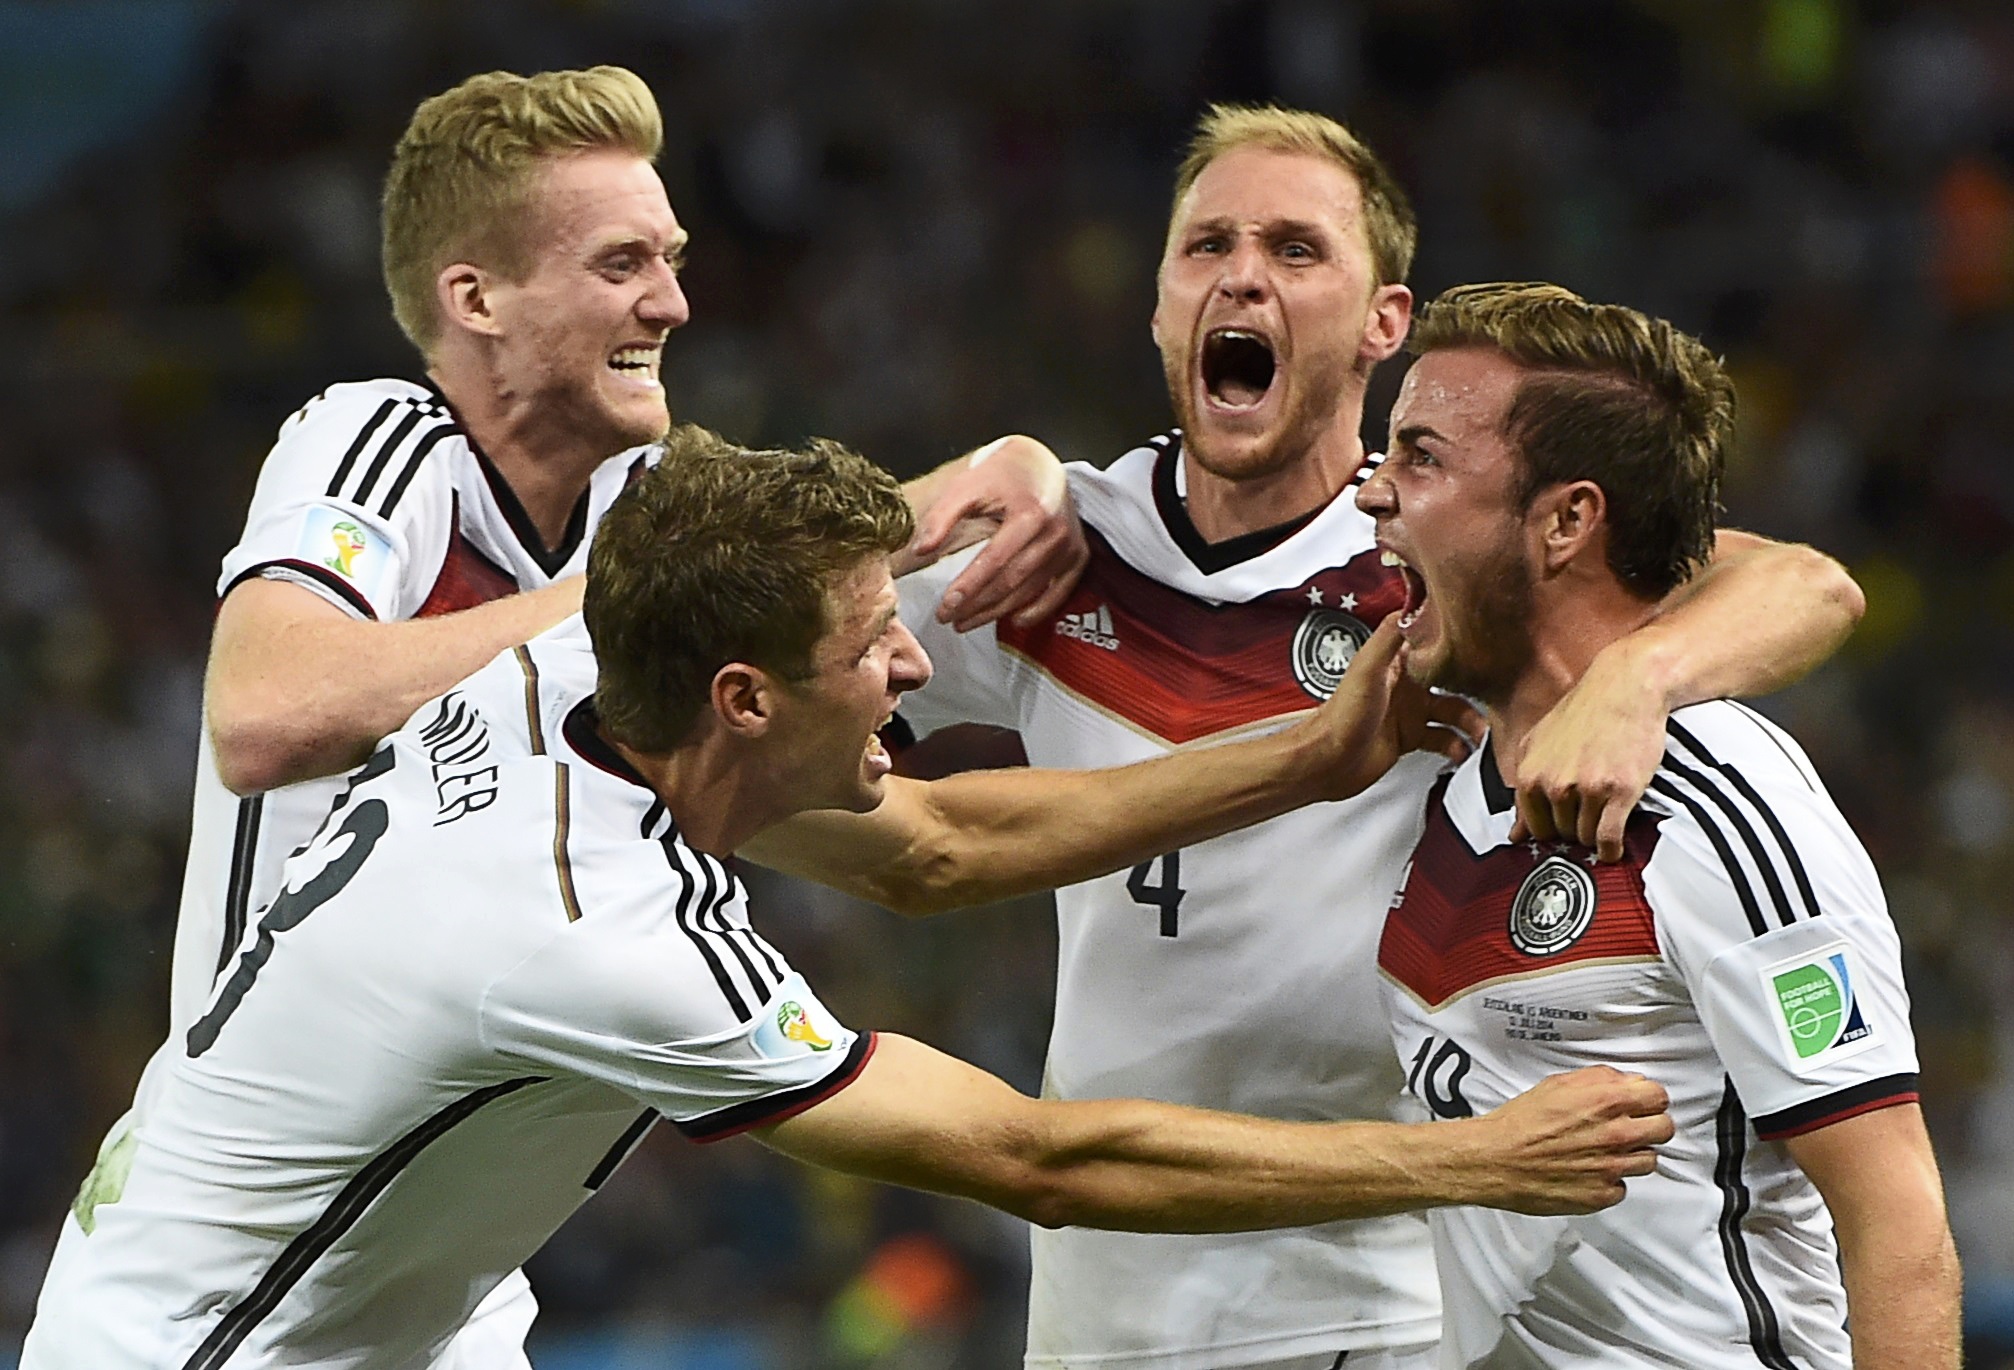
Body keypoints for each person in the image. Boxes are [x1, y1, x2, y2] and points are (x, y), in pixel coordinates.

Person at [23, 430, 1675, 1370]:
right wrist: (1467, 1164)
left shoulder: (578, 673)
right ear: (743, 697)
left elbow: (934, 850)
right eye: (868, 647)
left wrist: (1303, 763)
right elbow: (1042, 1160)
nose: (908, 663)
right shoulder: (601, 936)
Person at [756, 107, 1868, 1370]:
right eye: (1206, 246)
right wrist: (929, 497)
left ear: (1383, 324)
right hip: (1095, 1294)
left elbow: (1807, 583)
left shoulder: (1444, 556)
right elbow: (708, 687)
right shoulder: (1052, 549)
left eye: (1295, 249)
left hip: (1369, 1287)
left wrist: (1640, 673)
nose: (1242, 273)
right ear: (1165, 304)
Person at [127, 66, 1083, 1368]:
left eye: (674, 259)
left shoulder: (646, 495)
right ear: (476, 296)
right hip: (252, 1252)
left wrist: (1003, 468)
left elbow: (819, 588)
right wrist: (621, 606)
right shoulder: (382, 440)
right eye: (622, 262)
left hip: (448, 1278)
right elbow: (265, 708)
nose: (674, 302)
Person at [1360, 281, 1959, 1370]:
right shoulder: (1454, 777)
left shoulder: (1717, 798)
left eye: (1420, 458)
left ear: (1565, 521)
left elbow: (1897, 1221)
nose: (1372, 494)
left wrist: (1638, 670)